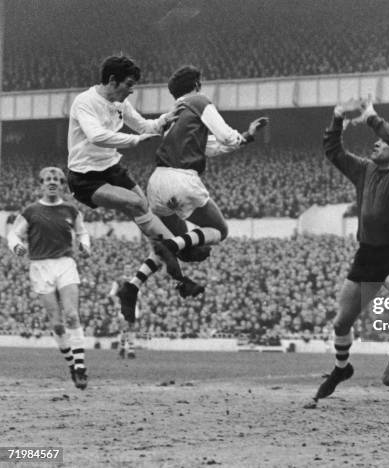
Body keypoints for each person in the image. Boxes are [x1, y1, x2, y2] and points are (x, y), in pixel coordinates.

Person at [114, 65, 268, 320]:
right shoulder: (199, 101)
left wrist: (247, 137)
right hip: (182, 179)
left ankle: (133, 285)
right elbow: (225, 137)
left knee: (172, 243)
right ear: (196, 84)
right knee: (220, 231)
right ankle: (172, 246)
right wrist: (240, 137)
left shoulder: (177, 115)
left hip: (157, 181)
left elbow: (210, 147)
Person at [66, 55, 200, 319]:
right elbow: (97, 136)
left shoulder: (120, 102)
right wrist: (136, 140)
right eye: (128, 83)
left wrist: (166, 119)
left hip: (113, 169)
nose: (132, 89)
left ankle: (140, 285)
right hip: (85, 177)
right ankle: (181, 253)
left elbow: (145, 125)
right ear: (112, 80)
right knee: (138, 205)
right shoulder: (85, 102)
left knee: (150, 218)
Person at [306, 97, 389, 408]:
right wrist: (336, 119)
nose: (376, 145)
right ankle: (342, 369)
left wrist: (372, 117)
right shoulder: (365, 170)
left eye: (383, 143)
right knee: (341, 323)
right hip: (367, 255)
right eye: (376, 141)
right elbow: (334, 153)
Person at [7, 167, 91, 390]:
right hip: (40, 267)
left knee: (72, 315)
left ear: (63, 185)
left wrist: (85, 244)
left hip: (65, 263)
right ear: (41, 184)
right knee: (57, 323)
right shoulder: (32, 211)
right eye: (48, 179)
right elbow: (13, 233)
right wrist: (16, 245)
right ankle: (72, 365)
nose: (52, 182)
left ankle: (81, 368)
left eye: (57, 179)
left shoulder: (71, 210)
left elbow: (83, 232)